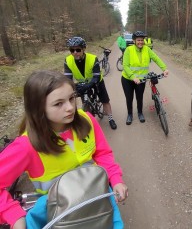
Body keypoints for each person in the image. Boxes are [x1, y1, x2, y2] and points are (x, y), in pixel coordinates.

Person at [0, 70, 128, 228]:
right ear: (38, 108)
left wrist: (115, 179)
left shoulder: (87, 120)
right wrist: (14, 215)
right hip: (59, 213)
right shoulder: (26, 146)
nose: (70, 108)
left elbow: (102, 154)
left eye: (72, 98)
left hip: (98, 196)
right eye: (58, 103)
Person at [64, 36, 118, 130]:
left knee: (105, 100)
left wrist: (89, 85)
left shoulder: (93, 58)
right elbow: (68, 78)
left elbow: (96, 76)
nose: (75, 53)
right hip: (82, 83)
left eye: (78, 50)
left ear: (83, 49)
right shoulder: (68, 60)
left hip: (96, 81)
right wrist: (71, 87)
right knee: (83, 101)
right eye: (72, 50)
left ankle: (110, 118)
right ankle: (88, 118)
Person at [121, 31, 169, 125]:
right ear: (134, 40)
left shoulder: (147, 49)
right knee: (129, 98)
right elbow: (125, 66)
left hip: (141, 80)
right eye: (138, 40)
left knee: (139, 97)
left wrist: (164, 68)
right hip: (127, 79)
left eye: (142, 40)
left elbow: (156, 58)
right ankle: (130, 114)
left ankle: (140, 113)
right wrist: (133, 77)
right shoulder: (128, 50)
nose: (140, 42)